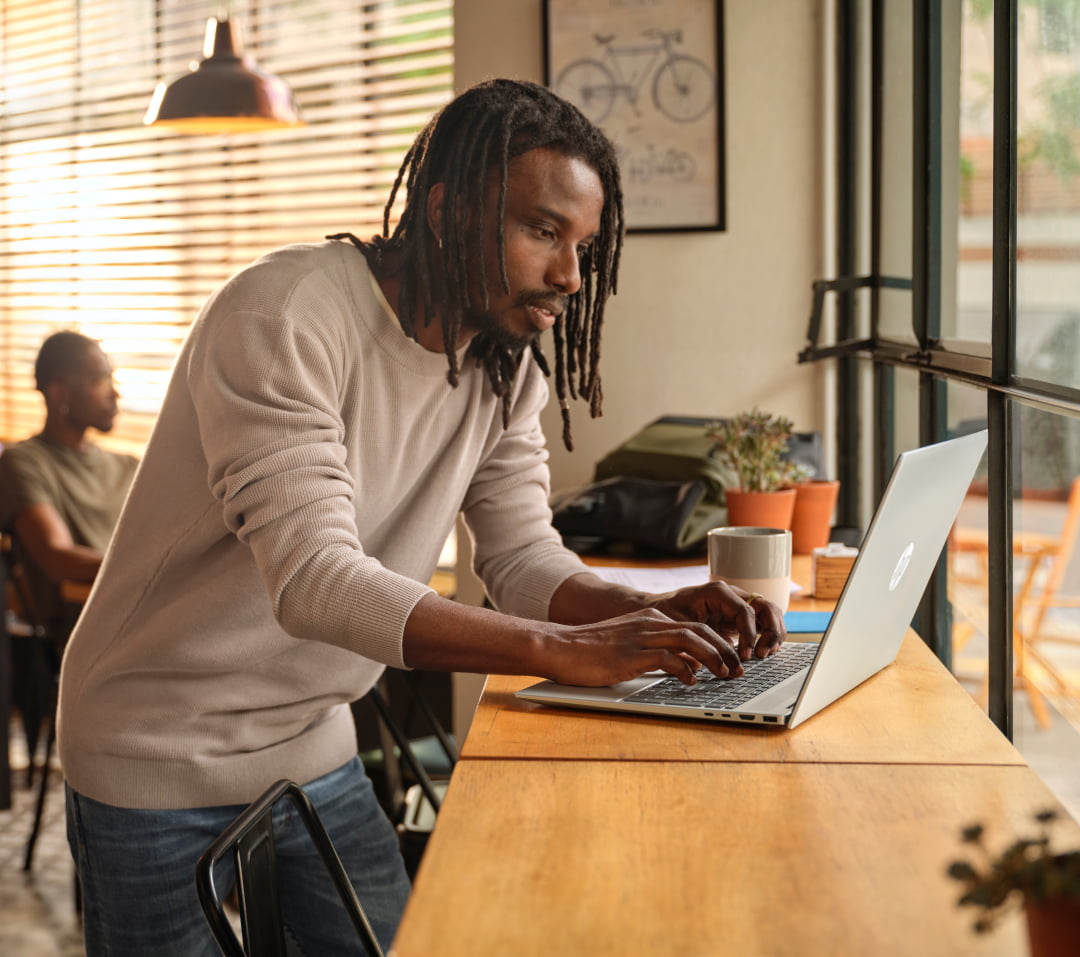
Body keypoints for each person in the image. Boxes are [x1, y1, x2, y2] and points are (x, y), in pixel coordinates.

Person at [57, 78, 785, 957]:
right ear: (445, 209)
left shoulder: (505, 372)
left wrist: (639, 613)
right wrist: (561, 651)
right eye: (543, 231)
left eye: (582, 245)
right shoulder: (283, 315)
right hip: (153, 750)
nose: (569, 275)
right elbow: (316, 583)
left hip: (313, 740)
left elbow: (521, 557)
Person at [0, 332, 138, 773]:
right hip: (83, 632)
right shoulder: (24, 462)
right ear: (59, 392)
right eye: (100, 379)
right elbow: (56, 556)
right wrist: (150, 568)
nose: (115, 392)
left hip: (140, 612)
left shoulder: (129, 466)